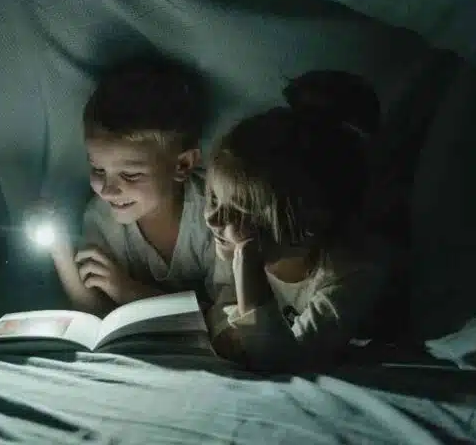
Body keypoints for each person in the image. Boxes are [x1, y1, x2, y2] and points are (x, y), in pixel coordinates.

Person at [204, 70, 391, 371]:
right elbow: (223, 305)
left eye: (237, 210)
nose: (212, 219)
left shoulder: (351, 274)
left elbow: (280, 360)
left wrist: (249, 273)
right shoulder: (234, 243)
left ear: (306, 225)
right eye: (213, 199)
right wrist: (226, 331)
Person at [46, 57, 235, 332]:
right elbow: (94, 314)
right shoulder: (101, 218)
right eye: (98, 169)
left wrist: (127, 291)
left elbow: (230, 318)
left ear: (182, 165)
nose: (108, 189)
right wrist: (60, 252)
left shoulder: (216, 213)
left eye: (131, 175)